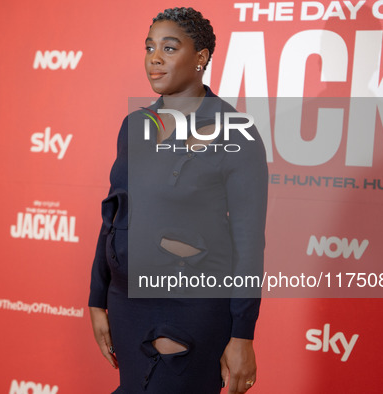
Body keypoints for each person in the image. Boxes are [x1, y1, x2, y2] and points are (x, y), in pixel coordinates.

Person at [89, 7, 268, 394]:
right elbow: (114, 215)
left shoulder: (237, 132)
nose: (154, 57)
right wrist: (97, 298)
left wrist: (242, 335)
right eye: (150, 47)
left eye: (169, 48)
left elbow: (249, 241)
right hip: (126, 303)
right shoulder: (135, 126)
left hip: (190, 303)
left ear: (200, 57)